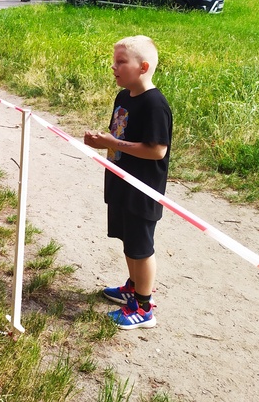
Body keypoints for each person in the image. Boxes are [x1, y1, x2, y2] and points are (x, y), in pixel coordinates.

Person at [83, 35, 172, 330]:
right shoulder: (123, 97)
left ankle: (144, 308)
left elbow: (157, 149)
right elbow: (118, 138)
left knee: (141, 247)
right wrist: (102, 143)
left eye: (121, 62)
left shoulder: (155, 104)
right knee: (128, 242)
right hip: (120, 184)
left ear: (143, 67)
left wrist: (114, 143)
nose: (114, 67)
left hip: (142, 189)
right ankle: (132, 289)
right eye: (114, 61)